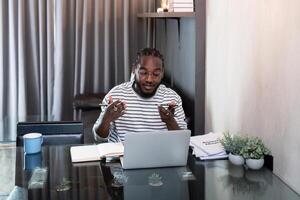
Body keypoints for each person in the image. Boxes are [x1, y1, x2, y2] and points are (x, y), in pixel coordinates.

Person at [93, 48, 187, 142]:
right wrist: (106, 118)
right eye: (143, 73)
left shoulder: (172, 98)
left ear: (162, 73)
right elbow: (99, 138)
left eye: (156, 74)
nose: (149, 79)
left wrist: (170, 121)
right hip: (123, 155)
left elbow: (183, 141)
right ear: (134, 69)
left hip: (160, 155)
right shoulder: (115, 95)